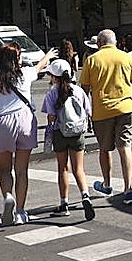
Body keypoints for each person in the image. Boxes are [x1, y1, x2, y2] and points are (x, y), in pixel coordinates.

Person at [0, 44, 52, 225]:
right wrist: (48, 55)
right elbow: (39, 67)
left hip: (0, 123)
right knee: (21, 170)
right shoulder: (24, 74)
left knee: (4, 170)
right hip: (25, 121)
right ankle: (21, 212)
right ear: (16, 60)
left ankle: (8, 196)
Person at [79, 29, 132, 205]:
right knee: (125, 147)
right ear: (115, 42)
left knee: (105, 149)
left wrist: (86, 112)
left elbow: (84, 90)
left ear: (99, 43)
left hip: (102, 111)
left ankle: (107, 184)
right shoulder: (126, 57)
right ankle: (128, 190)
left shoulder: (92, 60)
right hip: (126, 109)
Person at [40, 59, 96, 220]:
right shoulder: (78, 91)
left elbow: (51, 117)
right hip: (77, 133)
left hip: (60, 133)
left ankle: (64, 203)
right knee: (79, 169)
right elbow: (88, 111)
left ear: (54, 77)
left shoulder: (51, 94)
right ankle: (85, 196)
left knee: (63, 168)